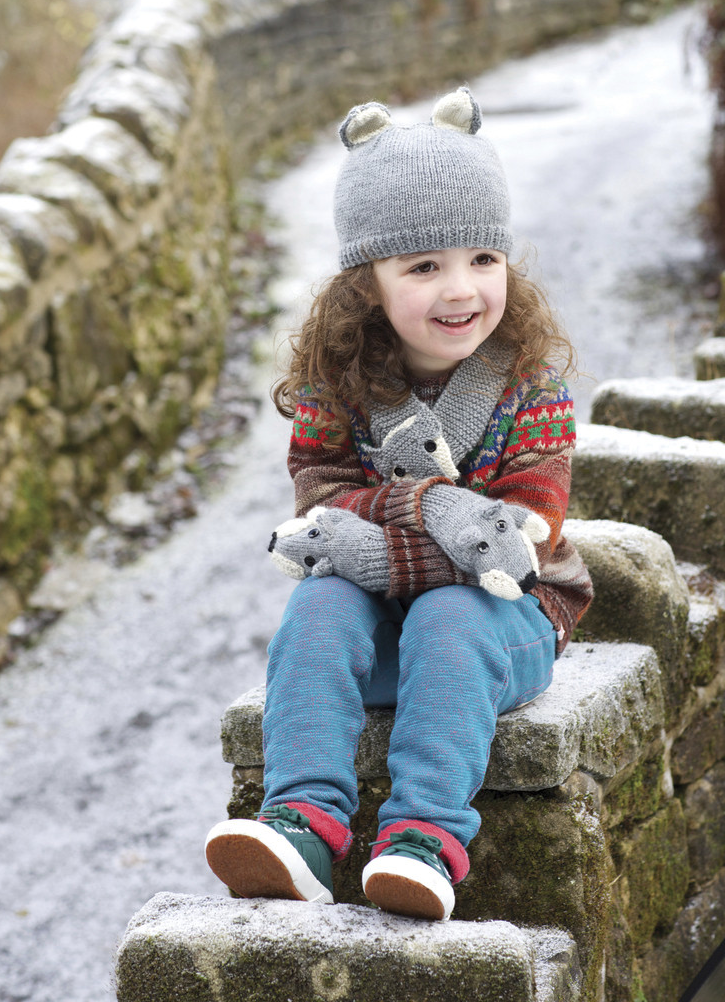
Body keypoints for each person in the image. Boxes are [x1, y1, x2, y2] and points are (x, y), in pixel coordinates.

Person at [205, 87, 593, 922]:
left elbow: (522, 530)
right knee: (316, 608)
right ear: (367, 285)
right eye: (423, 267)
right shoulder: (336, 388)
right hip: (384, 620)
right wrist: (430, 508)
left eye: (482, 260)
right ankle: (302, 822)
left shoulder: (528, 387)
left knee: (449, 619)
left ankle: (424, 839)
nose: (461, 289)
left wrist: (393, 525)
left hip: (508, 617)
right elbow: (323, 502)